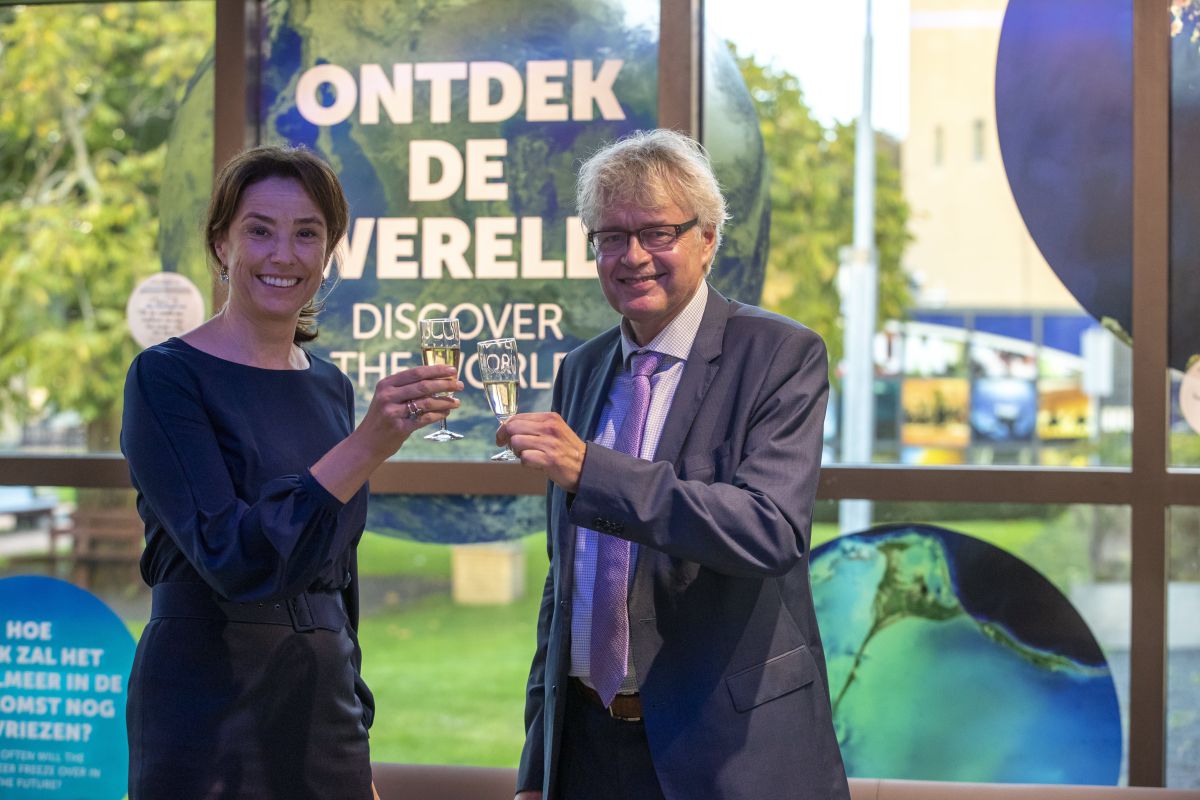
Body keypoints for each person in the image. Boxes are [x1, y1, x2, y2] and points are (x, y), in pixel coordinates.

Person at [500, 129, 850, 800]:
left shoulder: (781, 354)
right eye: (611, 237)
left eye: (657, 233)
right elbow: (565, 583)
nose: (633, 256)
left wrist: (594, 470)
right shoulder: (582, 369)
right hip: (589, 753)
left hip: (727, 755)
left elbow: (768, 529)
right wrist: (538, 763)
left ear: (708, 238)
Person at [120, 144, 462, 799]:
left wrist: (355, 720)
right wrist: (366, 447)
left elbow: (338, 578)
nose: (284, 254)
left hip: (322, 712)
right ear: (222, 244)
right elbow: (232, 556)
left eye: (308, 233)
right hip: (207, 708)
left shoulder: (330, 386)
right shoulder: (166, 378)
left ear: (330, 251)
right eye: (259, 230)